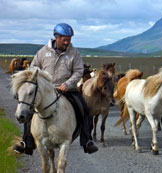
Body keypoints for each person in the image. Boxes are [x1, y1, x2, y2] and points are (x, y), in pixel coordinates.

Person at [13, 23, 98, 155]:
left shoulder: (74, 53)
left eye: (69, 39)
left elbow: (78, 71)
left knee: (84, 109)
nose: (67, 42)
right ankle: (26, 142)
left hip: (68, 90)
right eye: (65, 39)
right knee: (30, 108)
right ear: (56, 37)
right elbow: (33, 68)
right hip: (46, 91)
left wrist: (67, 84)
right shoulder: (42, 52)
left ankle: (87, 140)